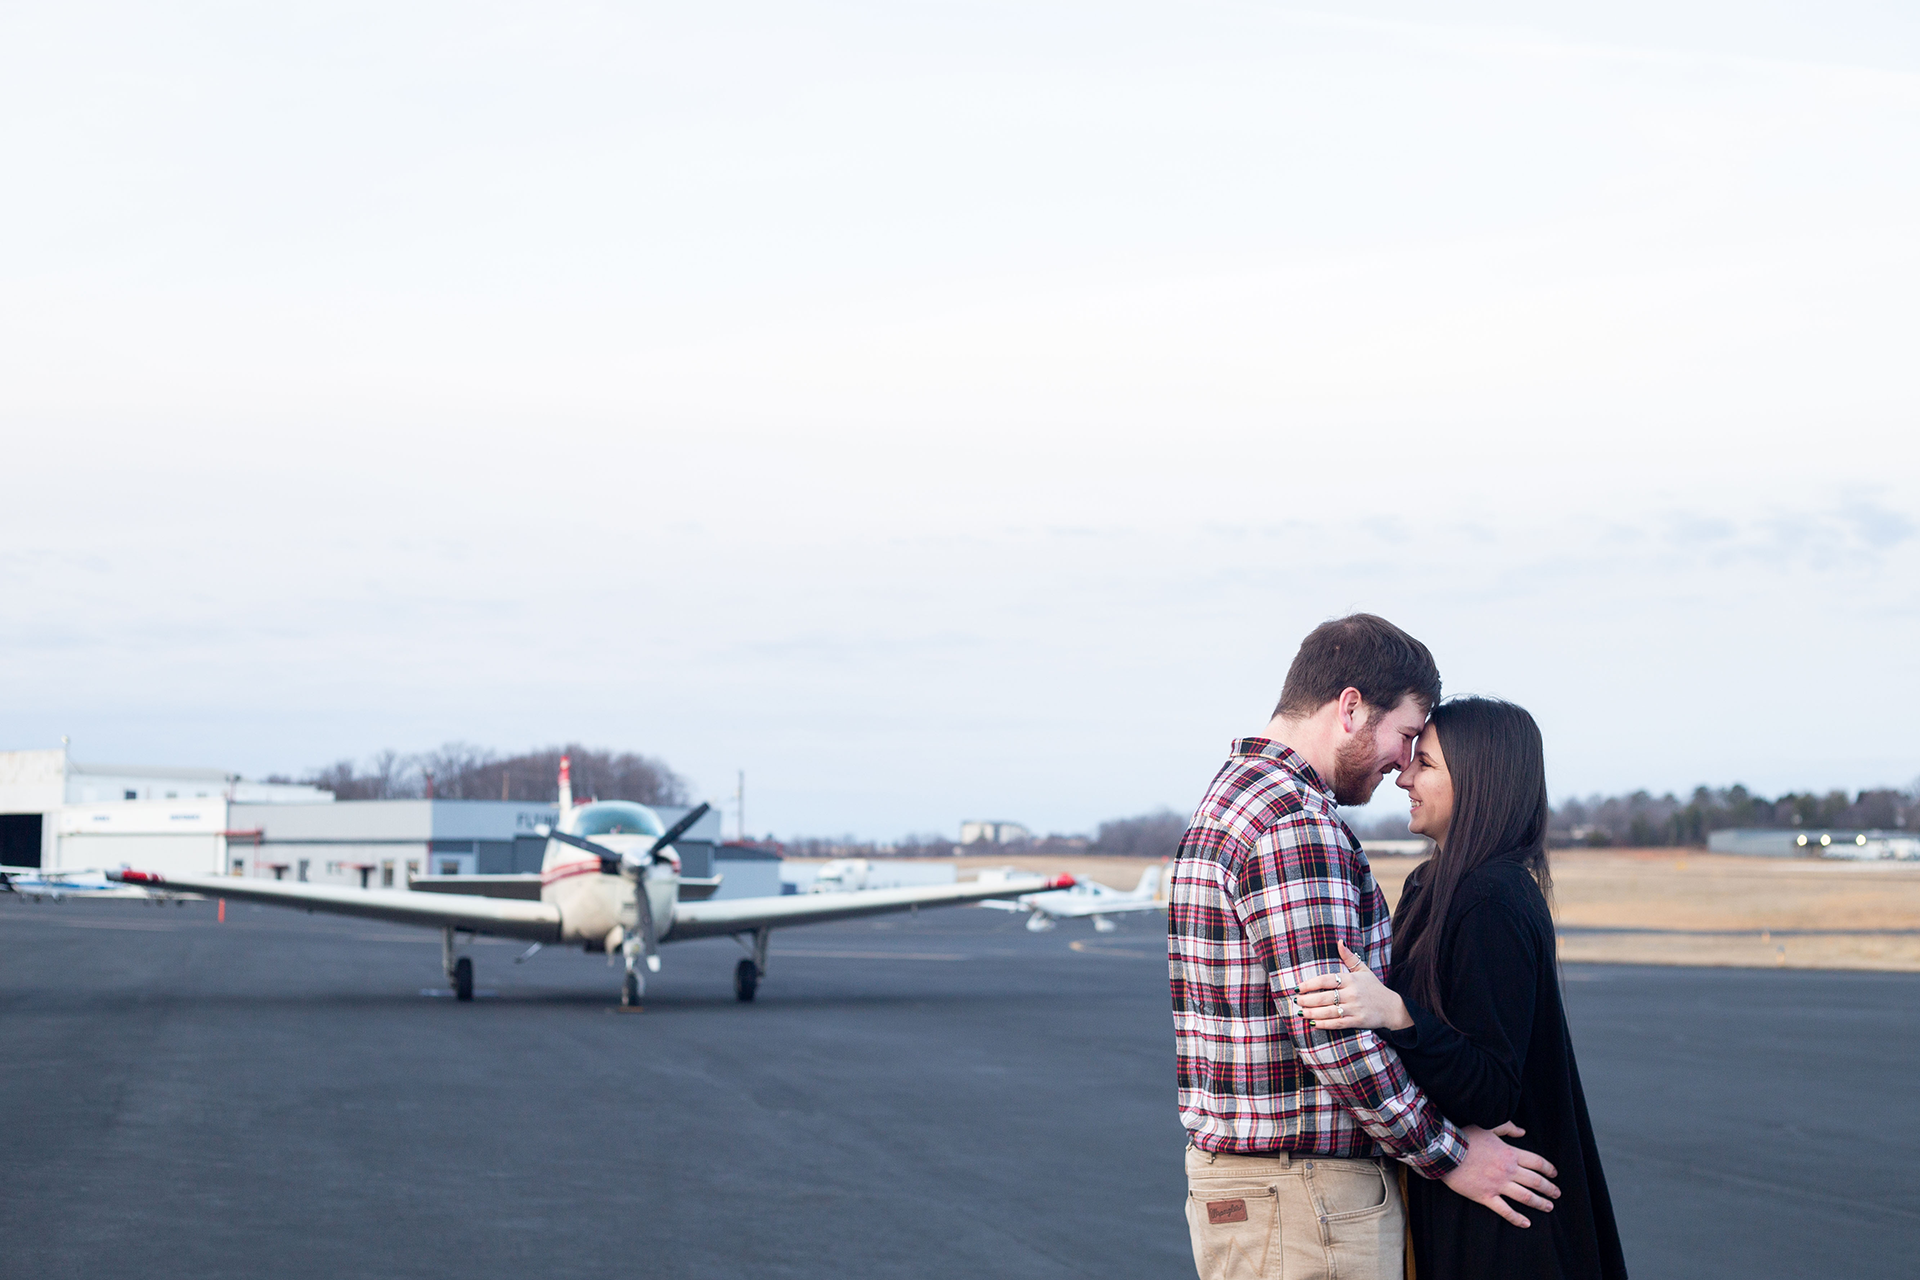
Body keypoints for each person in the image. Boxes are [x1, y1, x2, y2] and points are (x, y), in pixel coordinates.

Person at [1170, 616, 1560, 1280]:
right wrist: (1451, 1156)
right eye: (1406, 735)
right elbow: (1334, 1032)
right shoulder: (1295, 822)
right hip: (1305, 1199)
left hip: (1260, 1194)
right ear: (1350, 708)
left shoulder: (1234, 799)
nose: (1402, 764)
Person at [1295, 696, 1628, 1279]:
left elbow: (1491, 1090)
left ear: (1478, 781)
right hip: (1464, 1210)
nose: (1404, 777)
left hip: (1505, 1226)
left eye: (1425, 763)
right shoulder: (1433, 885)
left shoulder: (1491, 899)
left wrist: (1398, 1015)